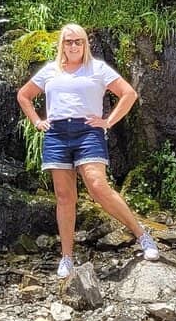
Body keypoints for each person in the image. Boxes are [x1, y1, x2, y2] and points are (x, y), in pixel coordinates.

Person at [16, 22, 160, 279]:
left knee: (97, 185)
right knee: (64, 197)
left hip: (87, 131)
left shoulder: (97, 69)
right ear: (62, 45)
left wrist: (108, 121)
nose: (73, 46)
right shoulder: (50, 71)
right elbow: (24, 95)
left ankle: (142, 235)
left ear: (85, 44)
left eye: (78, 41)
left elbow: (128, 94)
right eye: (68, 42)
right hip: (57, 134)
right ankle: (67, 258)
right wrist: (37, 121)